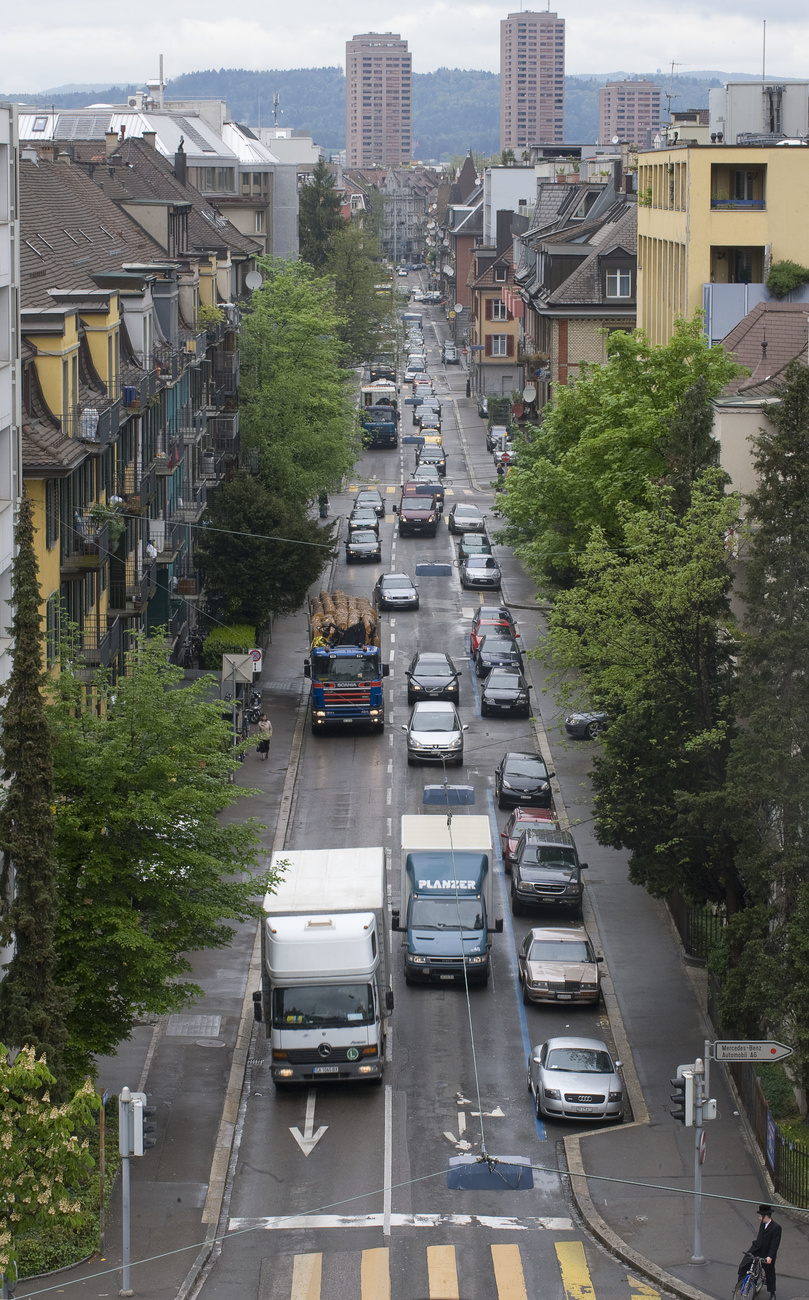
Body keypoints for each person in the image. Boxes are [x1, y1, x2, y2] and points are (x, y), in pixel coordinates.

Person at [737, 1204, 781, 1299]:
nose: (759, 1218)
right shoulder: (763, 1223)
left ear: (766, 1216)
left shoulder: (776, 1228)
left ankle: (772, 1293)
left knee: (770, 1271)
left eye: (761, 1216)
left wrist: (770, 1257)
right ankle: (740, 1285)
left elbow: (774, 1245)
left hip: (767, 1252)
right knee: (744, 1263)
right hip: (757, 1248)